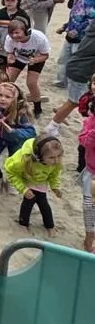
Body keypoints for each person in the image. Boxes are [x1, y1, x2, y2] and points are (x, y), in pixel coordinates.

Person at [0, 82, 36, 193]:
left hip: (15, 140)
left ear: (15, 98)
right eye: (0, 95)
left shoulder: (21, 112)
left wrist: (14, 132)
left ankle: (11, 179)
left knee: (15, 163)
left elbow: (31, 132)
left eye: (7, 97)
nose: (3, 99)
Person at [5, 135, 64, 238]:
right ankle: (23, 224)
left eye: (59, 156)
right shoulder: (23, 160)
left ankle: (50, 226)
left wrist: (55, 187)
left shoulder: (56, 163)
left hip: (40, 183)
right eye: (51, 157)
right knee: (28, 203)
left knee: (44, 205)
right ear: (39, 156)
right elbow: (11, 171)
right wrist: (23, 189)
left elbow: (54, 175)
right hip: (27, 180)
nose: (56, 161)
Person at [3, 17, 50, 118]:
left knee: (31, 83)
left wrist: (35, 60)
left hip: (37, 58)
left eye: (17, 32)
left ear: (27, 31)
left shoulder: (39, 38)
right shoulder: (9, 39)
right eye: (12, 33)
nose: (14, 36)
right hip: (19, 57)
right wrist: (10, 57)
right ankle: (7, 103)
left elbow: (45, 55)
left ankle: (37, 108)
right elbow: (9, 52)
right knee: (8, 80)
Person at [0, 0, 29, 69]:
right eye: (7, 0)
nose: (9, 2)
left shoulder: (23, 15)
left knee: (12, 70)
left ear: (18, 1)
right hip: (2, 48)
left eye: (13, 0)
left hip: (17, 49)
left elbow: (27, 32)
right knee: (1, 69)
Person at [77, 95, 95, 251]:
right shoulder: (90, 122)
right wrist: (93, 135)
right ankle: (89, 240)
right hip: (92, 173)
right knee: (89, 209)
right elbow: (83, 142)